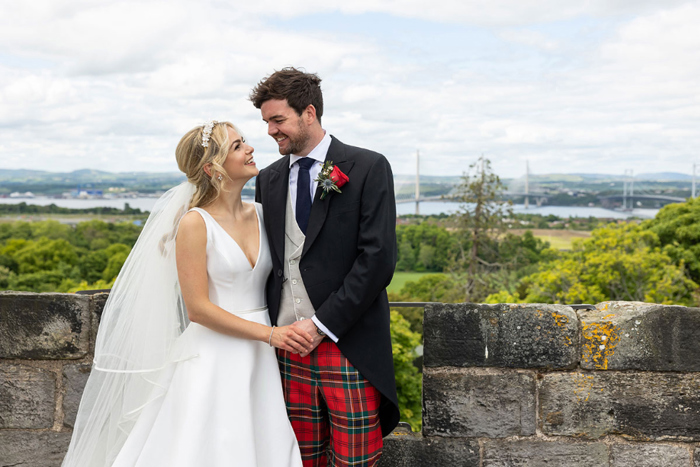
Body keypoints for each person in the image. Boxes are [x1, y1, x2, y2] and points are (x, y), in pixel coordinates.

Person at [62, 121, 309, 467]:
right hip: (214, 354)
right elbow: (198, 309)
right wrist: (271, 335)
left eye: (245, 142)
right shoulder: (195, 223)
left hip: (262, 357)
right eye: (237, 146)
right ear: (213, 169)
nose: (251, 149)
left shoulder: (263, 213)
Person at [251, 68, 400, 467]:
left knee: (356, 460)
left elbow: (378, 259)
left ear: (310, 113)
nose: (270, 131)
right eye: (266, 121)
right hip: (286, 348)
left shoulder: (368, 166)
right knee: (298, 458)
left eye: (278, 120)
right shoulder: (268, 179)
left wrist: (320, 326)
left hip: (345, 342)